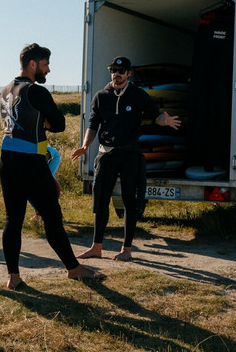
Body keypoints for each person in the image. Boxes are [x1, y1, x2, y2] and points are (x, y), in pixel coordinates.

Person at [0, 43, 96, 289]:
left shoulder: (5, 89)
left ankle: (13, 277)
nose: (48, 70)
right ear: (33, 64)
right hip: (30, 160)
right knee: (53, 216)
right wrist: (45, 124)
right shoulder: (35, 91)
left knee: (13, 218)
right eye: (45, 65)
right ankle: (74, 269)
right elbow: (61, 123)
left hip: (8, 158)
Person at [70, 56, 181, 262]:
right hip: (107, 154)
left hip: (130, 154)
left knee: (130, 200)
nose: (117, 74)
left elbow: (155, 116)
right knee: (101, 200)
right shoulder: (101, 96)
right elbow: (93, 125)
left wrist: (164, 120)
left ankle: (126, 249)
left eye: (121, 71)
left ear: (129, 73)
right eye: (114, 70)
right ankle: (96, 247)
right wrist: (86, 145)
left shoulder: (138, 95)